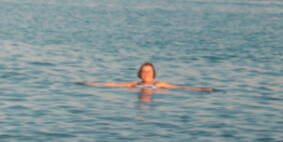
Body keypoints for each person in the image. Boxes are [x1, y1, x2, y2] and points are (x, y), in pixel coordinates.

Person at [83, 62, 213, 91]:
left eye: (149, 72)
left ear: (154, 73)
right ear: (140, 74)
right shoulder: (135, 84)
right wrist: (93, 84)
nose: (146, 74)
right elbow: (115, 85)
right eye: (144, 72)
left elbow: (181, 87)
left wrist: (201, 89)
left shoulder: (159, 84)